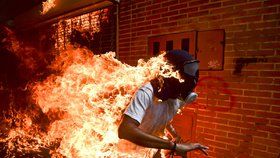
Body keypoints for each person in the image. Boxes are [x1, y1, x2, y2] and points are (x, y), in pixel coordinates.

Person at [118, 50, 208, 157]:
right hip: (127, 153)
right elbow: (125, 130)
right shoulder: (146, 93)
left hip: (151, 151)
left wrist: (175, 136)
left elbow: (162, 118)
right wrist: (173, 146)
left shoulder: (177, 98)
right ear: (169, 72)